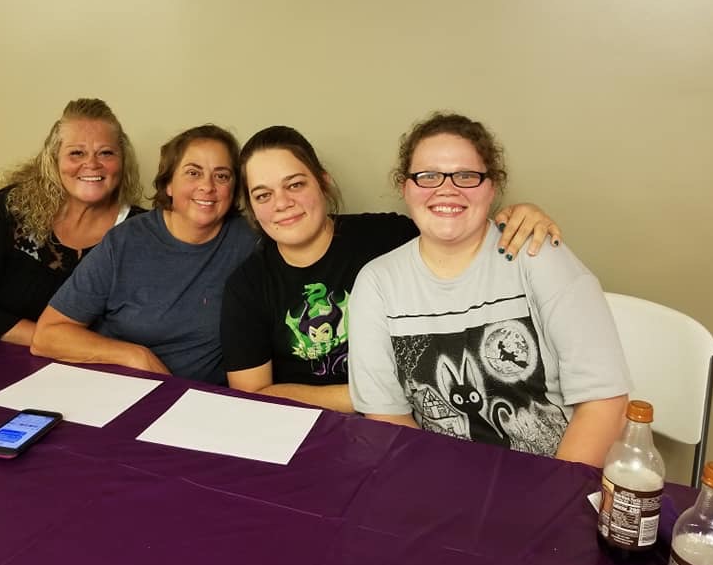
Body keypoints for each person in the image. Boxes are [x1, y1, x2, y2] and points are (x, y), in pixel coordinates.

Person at [348, 112, 630, 466]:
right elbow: (387, 417)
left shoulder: (538, 255)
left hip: (554, 475)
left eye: (466, 175)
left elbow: (605, 403)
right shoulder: (377, 282)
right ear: (405, 188)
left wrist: (556, 493)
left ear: (492, 187)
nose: (446, 189)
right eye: (428, 176)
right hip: (439, 478)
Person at [220, 125, 562, 413]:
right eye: (262, 195)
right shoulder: (247, 285)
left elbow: (462, 232)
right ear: (252, 207)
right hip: (311, 429)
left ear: (323, 182)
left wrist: (520, 215)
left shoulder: (389, 236)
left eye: (295, 184)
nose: (282, 203)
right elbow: (252, 395)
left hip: (423, 421)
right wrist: (376, 395)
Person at [31, 124, 257, 384]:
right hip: (121, 389)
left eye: (222, 176)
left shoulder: (250, 242)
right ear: (169, 183)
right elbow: (47, 336)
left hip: (203, 399)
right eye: (193, 173)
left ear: (234, 188)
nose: (207, 186)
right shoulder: (124, 242)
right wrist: (134, 356)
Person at [0, 98, 143, 346]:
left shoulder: (143, 231)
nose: (92, 164)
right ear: (54, 159)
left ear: (123, 160)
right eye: (76, 153)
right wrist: (55, 342)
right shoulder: (12, 207)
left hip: (95, 367)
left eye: (106, 153)